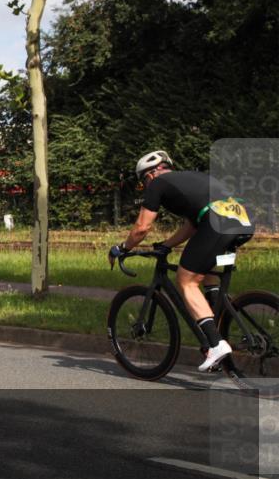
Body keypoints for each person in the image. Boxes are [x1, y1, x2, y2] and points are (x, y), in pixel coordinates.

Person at [109, 151, 255, 372]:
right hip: (243, 222)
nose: (145, 186)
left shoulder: (157, 184)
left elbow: (142, 228)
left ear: (150, 175)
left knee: (186, 280)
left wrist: (121, 248)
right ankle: (215, 333)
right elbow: (192, 225)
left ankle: (216, 344)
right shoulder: (191, 178)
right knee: (205, 273)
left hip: (216, 223)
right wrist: (167, 244)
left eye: (143, 182)